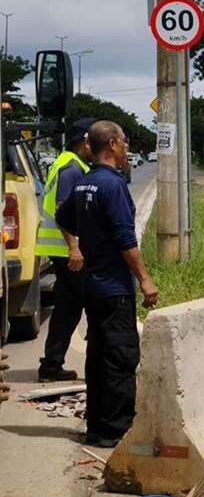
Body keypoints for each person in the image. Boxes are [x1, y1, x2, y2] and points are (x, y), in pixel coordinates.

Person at [57, 120, 158, 447]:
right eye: (125, 142)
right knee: (120, 357)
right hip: (114, 288)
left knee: (98, 356)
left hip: (92, 286)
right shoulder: (112, 185)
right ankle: (116, 431)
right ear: (112, 144)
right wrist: (145, 279)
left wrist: (82, 244)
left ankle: (97, 427)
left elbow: (63, 216)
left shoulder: (85, 182)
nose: (127, 148)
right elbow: (125, 239)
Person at [34, 117, 95, 382]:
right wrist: (74, 248)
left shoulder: (66, 162)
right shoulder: (72, 168)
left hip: (59, 251)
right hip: (67, 251)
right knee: (94, 302)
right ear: (85, 142)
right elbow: (63, 212)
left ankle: (51, 365)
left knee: (67, 309)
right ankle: (98, 364)